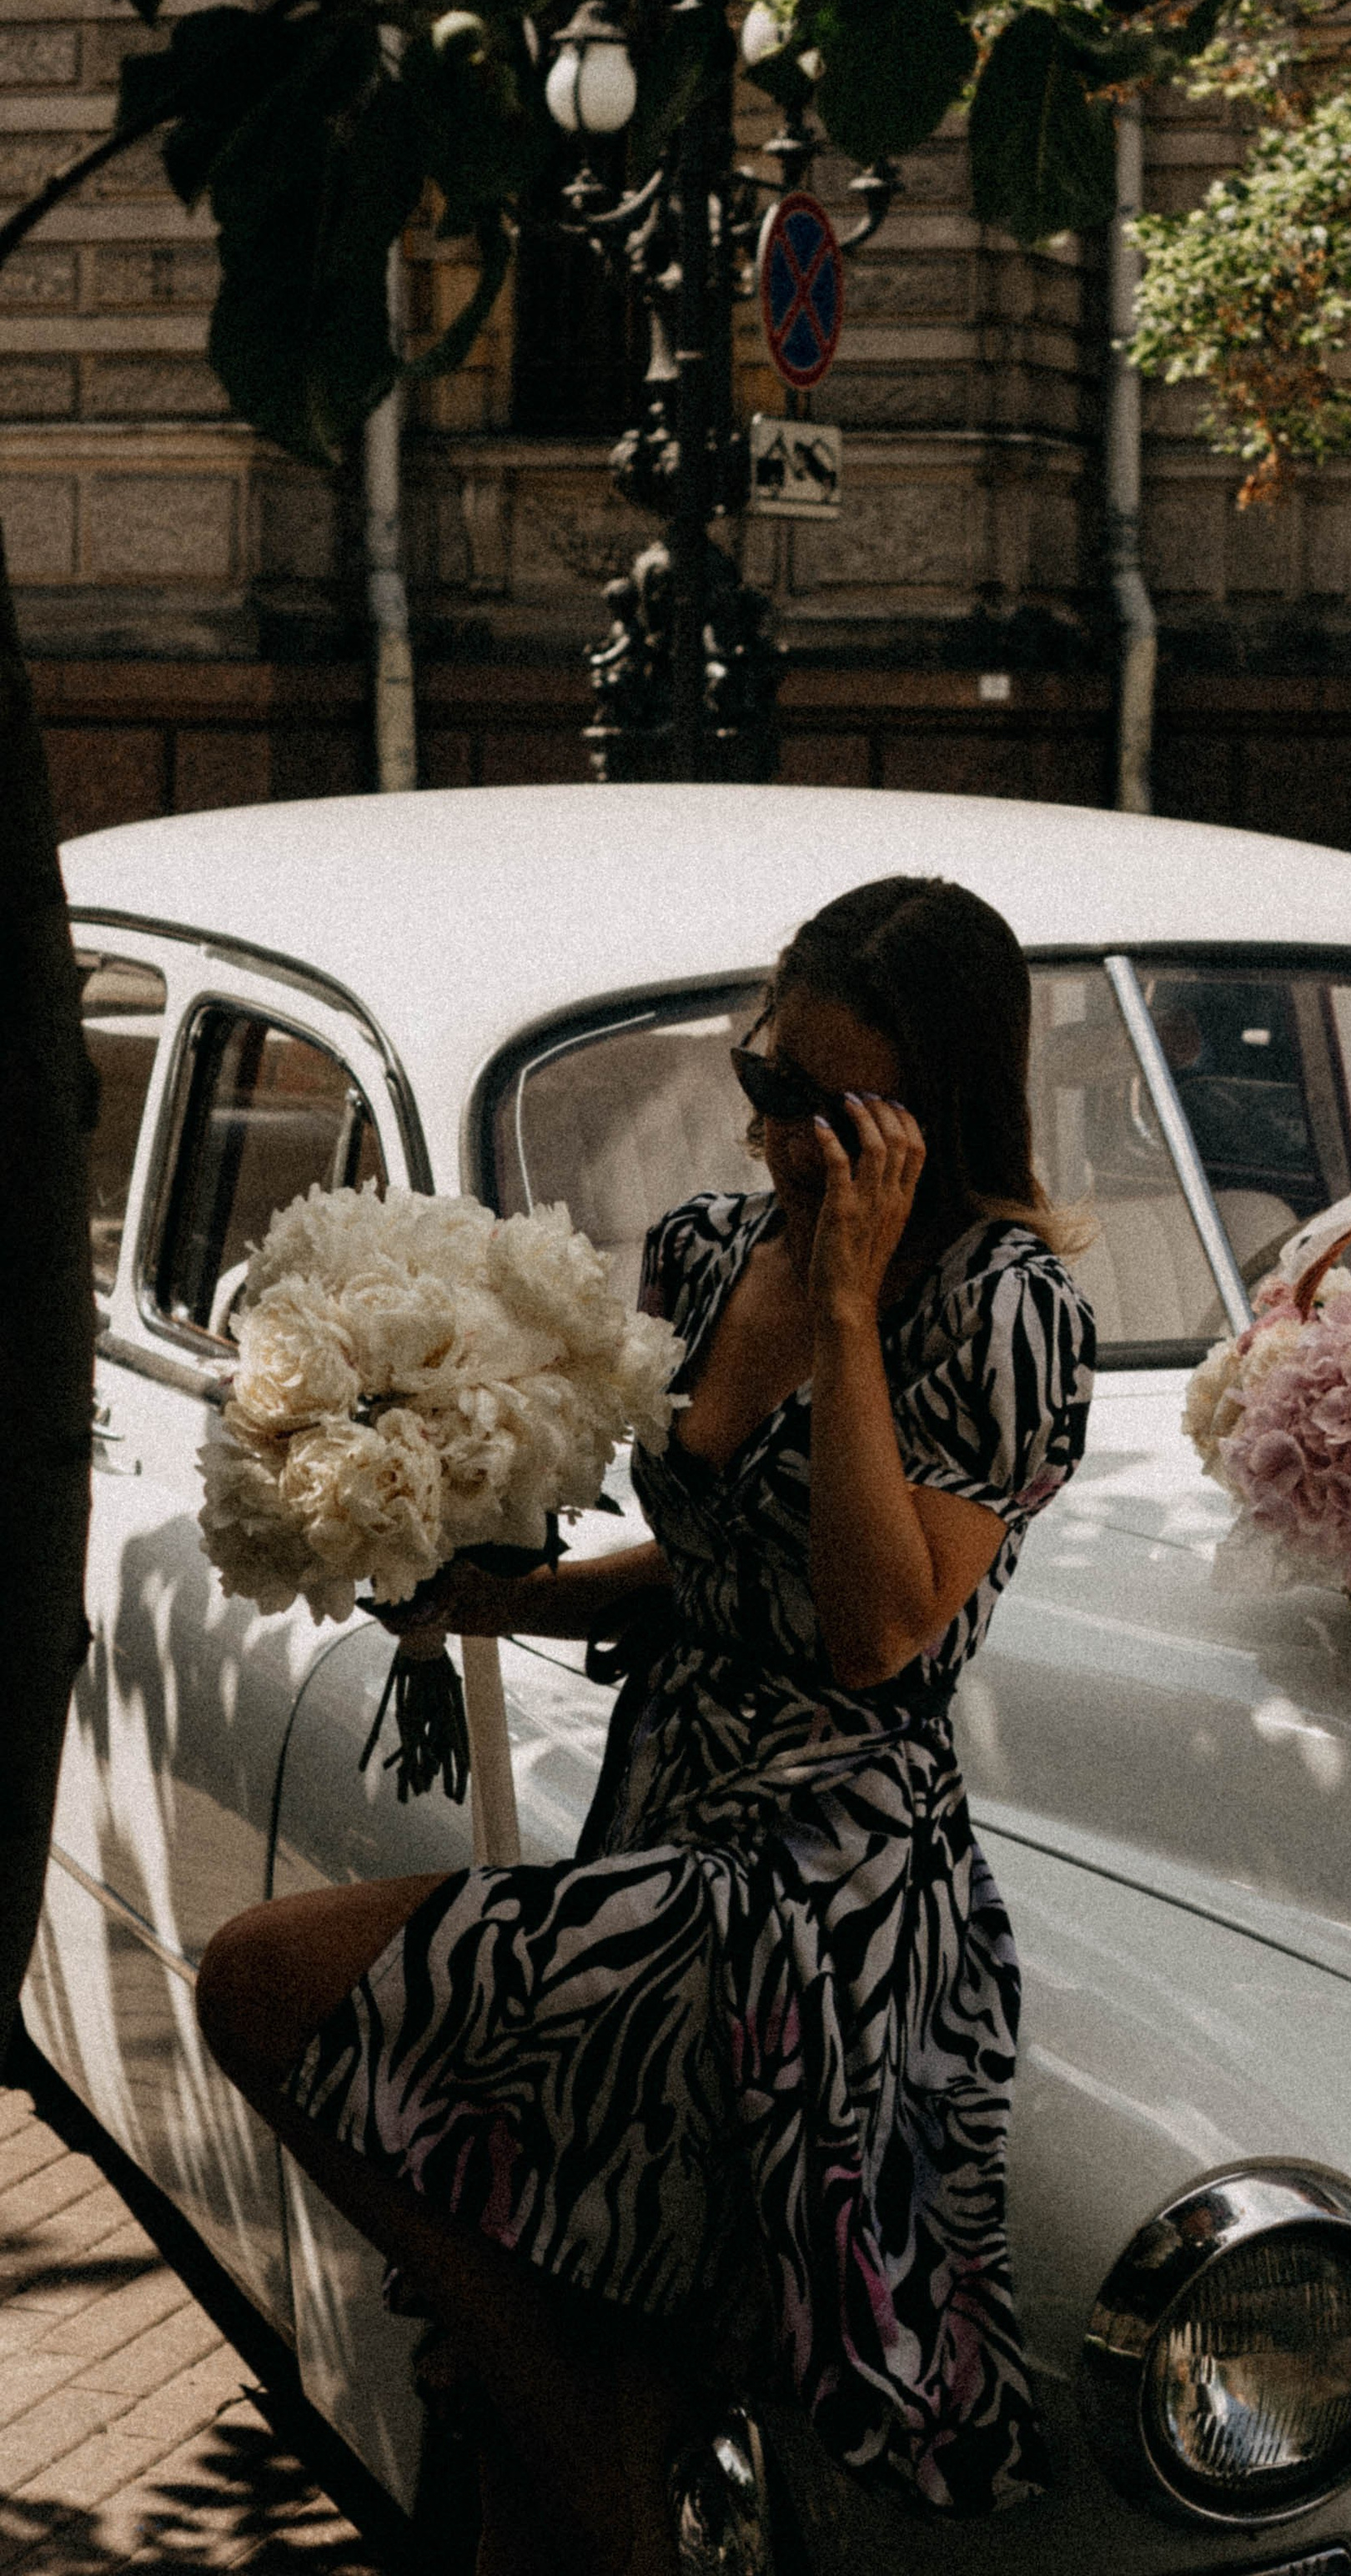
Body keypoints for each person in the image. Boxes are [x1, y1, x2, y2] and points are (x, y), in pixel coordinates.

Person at [195, 875, 1097, 2576]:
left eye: (824, 1109)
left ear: (929, 1114)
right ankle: (578, 2428)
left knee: (263, 1978)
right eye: (765, 1081)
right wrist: (483, 1590)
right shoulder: (701, 1246)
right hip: (664, 1806)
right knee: (572, 2338)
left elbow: (877, 1629)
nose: (776, 1133)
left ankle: (590, 2458)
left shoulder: (999, 1307)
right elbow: (705, 1577)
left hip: (820, 1886)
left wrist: (846, 1311)